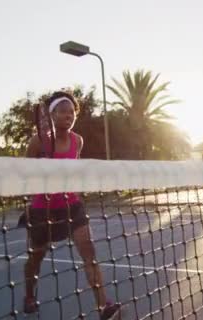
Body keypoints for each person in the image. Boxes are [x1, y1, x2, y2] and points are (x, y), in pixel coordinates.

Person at [19, 91, 120, 319]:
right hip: (42, 211)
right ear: (51, 114)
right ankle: (28, 295)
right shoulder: (37, 142)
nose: (68, 115)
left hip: (72, 206)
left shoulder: (78, 141)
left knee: (89, 253)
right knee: (36, 258)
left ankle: (104, 306)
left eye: (71, 111)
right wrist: (28, 201)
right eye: (62, 111)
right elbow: (24, 174)